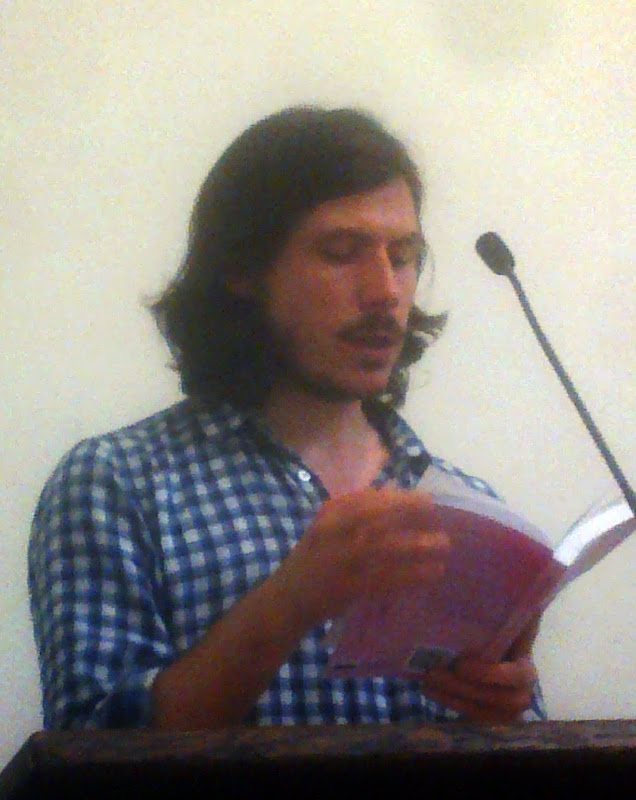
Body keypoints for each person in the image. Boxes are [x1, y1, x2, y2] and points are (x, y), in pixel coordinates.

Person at [29, 106, 546, 731]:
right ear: (243, 270)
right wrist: (291, 600)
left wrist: (505, 706)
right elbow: (90, 750)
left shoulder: (468, 509)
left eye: (404, 256)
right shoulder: (118, 484)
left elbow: (524, 753)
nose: (386, 291)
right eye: (342, 252)